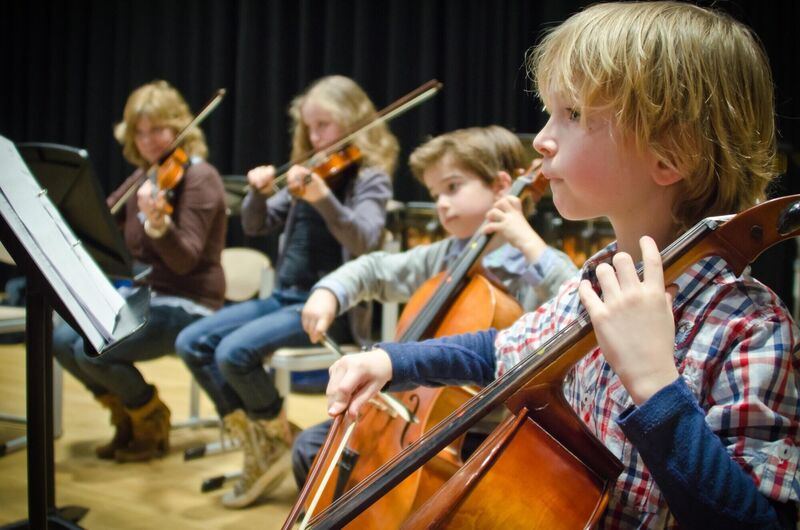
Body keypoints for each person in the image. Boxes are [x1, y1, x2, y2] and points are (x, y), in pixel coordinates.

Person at [323, 3, 800, 528]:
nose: (542, 139)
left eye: (570, 115)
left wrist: (656, 386)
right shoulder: (596, 280)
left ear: (670, 155)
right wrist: (391, 361)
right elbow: (501, 349)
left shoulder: (750, 329)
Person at [292, 124, 578, 489]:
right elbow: (376, 269)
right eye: (435, 192)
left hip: (490, 429)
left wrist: (527, 241)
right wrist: (329, 292)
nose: (441, 202)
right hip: (417, 418)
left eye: (453, 187)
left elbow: (576, 297)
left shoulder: (532, 262)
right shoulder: (447, 254)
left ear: (501, 185)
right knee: (311, 450)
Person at [174, 75, 399, 509]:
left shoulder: (369, 178)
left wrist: (322, 198)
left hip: (327, 305)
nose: (316, 137)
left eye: (325, 126)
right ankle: (269, 439)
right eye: (309, 128)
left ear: (352, 120)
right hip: (283, 297)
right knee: (191, 341)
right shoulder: (309, 171)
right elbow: (257, 224)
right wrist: (258, 195)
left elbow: (365, 240)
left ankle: (268, 443)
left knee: (232, 353)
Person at [52, 80, 227, 463]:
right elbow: (100, 218)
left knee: (92, 350)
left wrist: (159, 227)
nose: (149, 140)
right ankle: (127, 417)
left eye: (159, 129)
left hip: (189, 303)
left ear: (180, 125)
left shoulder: (200, 178)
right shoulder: (144, 177)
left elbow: (185, 262)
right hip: (144, 298)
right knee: (62, 340)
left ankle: (150, 415)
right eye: (140, 131)